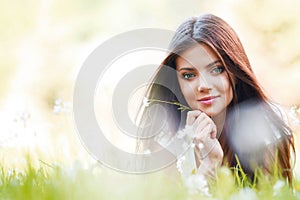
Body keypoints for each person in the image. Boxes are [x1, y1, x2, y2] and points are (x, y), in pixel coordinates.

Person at [136, 14, 295, 184]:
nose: (203, 85)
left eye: (217, 70)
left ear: (235, 71)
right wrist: (208, 167)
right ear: (177, 81)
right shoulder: (166, 137)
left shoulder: (264, 128)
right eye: (189, 75)